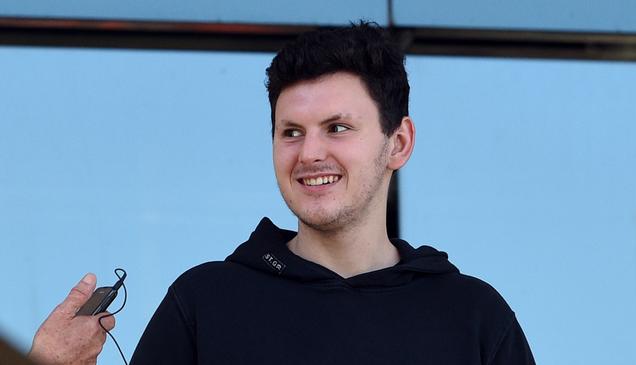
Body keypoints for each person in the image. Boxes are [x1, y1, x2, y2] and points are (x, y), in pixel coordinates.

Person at [30, 22, 536, 364]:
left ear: (398, 143)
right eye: (291, 132)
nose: (309, 153)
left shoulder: (473, 317)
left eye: (337, 127)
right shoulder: (204, 303)